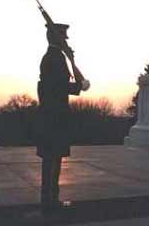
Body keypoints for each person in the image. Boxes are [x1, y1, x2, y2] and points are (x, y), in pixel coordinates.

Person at [36, 23, 86, 215]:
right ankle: (49, 203)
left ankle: (50, 201)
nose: (65, 42)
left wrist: (71, 60)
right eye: (63, 38)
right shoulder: (54, 58)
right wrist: (79, 86)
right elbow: (59, 86)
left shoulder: (53, 57)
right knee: (52, 159)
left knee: (52, 159)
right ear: (56, 38)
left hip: (51, 116)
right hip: (54, 117)